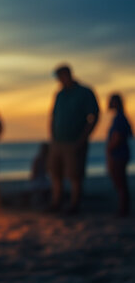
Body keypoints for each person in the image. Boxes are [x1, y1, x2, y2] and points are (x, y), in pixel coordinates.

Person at [47, 64, 99, 214]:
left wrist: (83, 138)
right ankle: (57, 202)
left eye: (60, 77)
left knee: (75, 175)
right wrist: (52, 135)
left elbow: (94, 116)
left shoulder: (84, 92)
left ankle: (74, 205)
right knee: (56, 173)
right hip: (57, 141)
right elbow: (53, 115)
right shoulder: (60, 94)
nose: (59, 80)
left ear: (67, 75)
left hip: (74, 142)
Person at [106, 93, 132, 217]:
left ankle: (123, 210)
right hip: (120, 154)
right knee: (121, 182)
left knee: (120, 182)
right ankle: (123, 208)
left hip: (118, 155)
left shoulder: (119, 118)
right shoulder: (120, 117)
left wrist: (109, 149)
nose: (108, 103)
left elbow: (118, 137)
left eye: (111, 101)